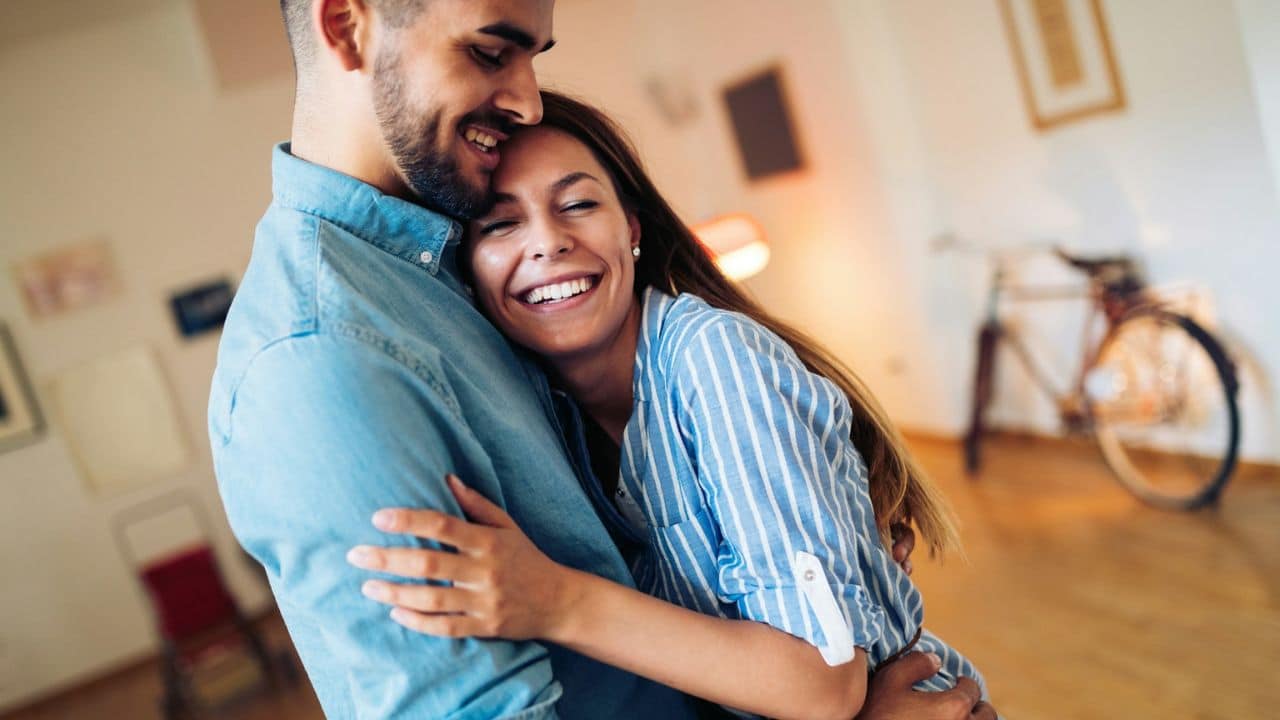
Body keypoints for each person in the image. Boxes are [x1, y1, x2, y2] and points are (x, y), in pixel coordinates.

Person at [210, 0, 987, 717]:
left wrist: (828, 536)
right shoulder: (322, 353)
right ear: (346, 24)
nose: (527, 100)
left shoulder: (444, 272)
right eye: (490, 51)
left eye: (578, 203)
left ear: (632, 226)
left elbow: (809, 647)